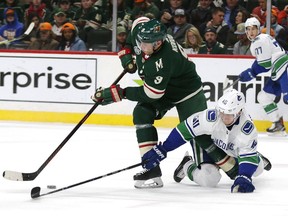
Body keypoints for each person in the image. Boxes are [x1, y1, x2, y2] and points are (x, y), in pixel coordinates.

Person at [91, 17, 239, 189]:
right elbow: (135, 31)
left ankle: (224, 163)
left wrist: (119, 93)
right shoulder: (143, 32)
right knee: (141, 113)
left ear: (158, 43)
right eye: (141, 43)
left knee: (203, 146)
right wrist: (125, 54)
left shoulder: (161, 61)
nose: (142, 48)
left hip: (187, 93)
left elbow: (151, 94)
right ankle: (151, 168)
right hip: (164, 90)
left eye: (147, 45)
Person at [141, 89, 272, 193]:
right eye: (222, 112)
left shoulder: (247, 130)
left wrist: (244, 176)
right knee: (209, 179)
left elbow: (247, 161)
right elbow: (185, 129)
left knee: (257, 170)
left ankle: (255, 155)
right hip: (208, 143)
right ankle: (187, 165)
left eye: (229, 114)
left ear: (239, 112)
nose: (224, 117)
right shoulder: (211, 117)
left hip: (233, 150)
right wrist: (164, 148)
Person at [238, 17, 287, 136]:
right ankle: (277, 124)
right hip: (278, 71)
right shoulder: (260, 40)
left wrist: (250, 73)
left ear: (258, 29)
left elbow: (265, 65)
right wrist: (250, 71)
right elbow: (262, 61)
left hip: (284, 68)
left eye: (253, 29)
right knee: (264, 97)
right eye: (248, 29)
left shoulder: (259, 41)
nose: (251, 32)